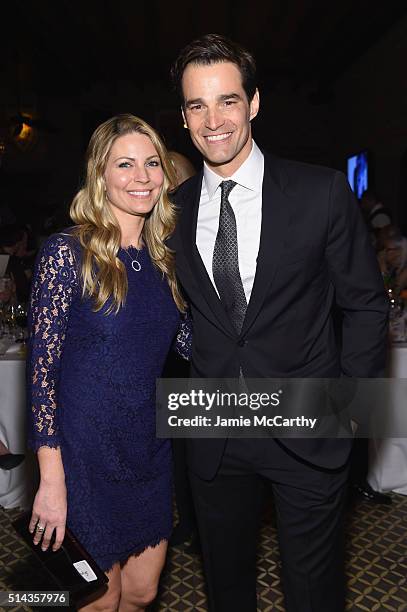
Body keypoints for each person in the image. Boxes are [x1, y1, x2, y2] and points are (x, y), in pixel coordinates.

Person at [169, 34, 389, 612]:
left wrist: (350, 412)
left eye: (227, 100)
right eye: (197, 105)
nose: (212, 120)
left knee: (315, 593)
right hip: (213, 428)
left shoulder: (322, 192)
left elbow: (366, 306)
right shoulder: (174, 208)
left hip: (309, 420)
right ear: (184, 115)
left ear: (255, 103)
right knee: (226, 591)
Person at [27, 114, 190, 612]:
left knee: (141, 594)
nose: (141, 176)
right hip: (83, 460)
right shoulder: (67, 253)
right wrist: (51, 482)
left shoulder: (168, 261)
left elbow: (188, 347)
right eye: (125, 164)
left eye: (151, 164)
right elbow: (41, 376)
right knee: (100, 600)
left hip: (148, 452)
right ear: (101, 174)